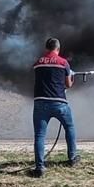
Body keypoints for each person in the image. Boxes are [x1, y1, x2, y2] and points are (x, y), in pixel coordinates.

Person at [31, 37, 78, 176]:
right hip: (59, 103)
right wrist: (71, 75)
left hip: (40, 103)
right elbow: (68, 85)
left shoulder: (38, 62)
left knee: (39, 135)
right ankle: (72, 158)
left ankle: (40, 167)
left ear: (46, 48)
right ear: (58, 48)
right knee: (69, 128)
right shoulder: (63, 63)